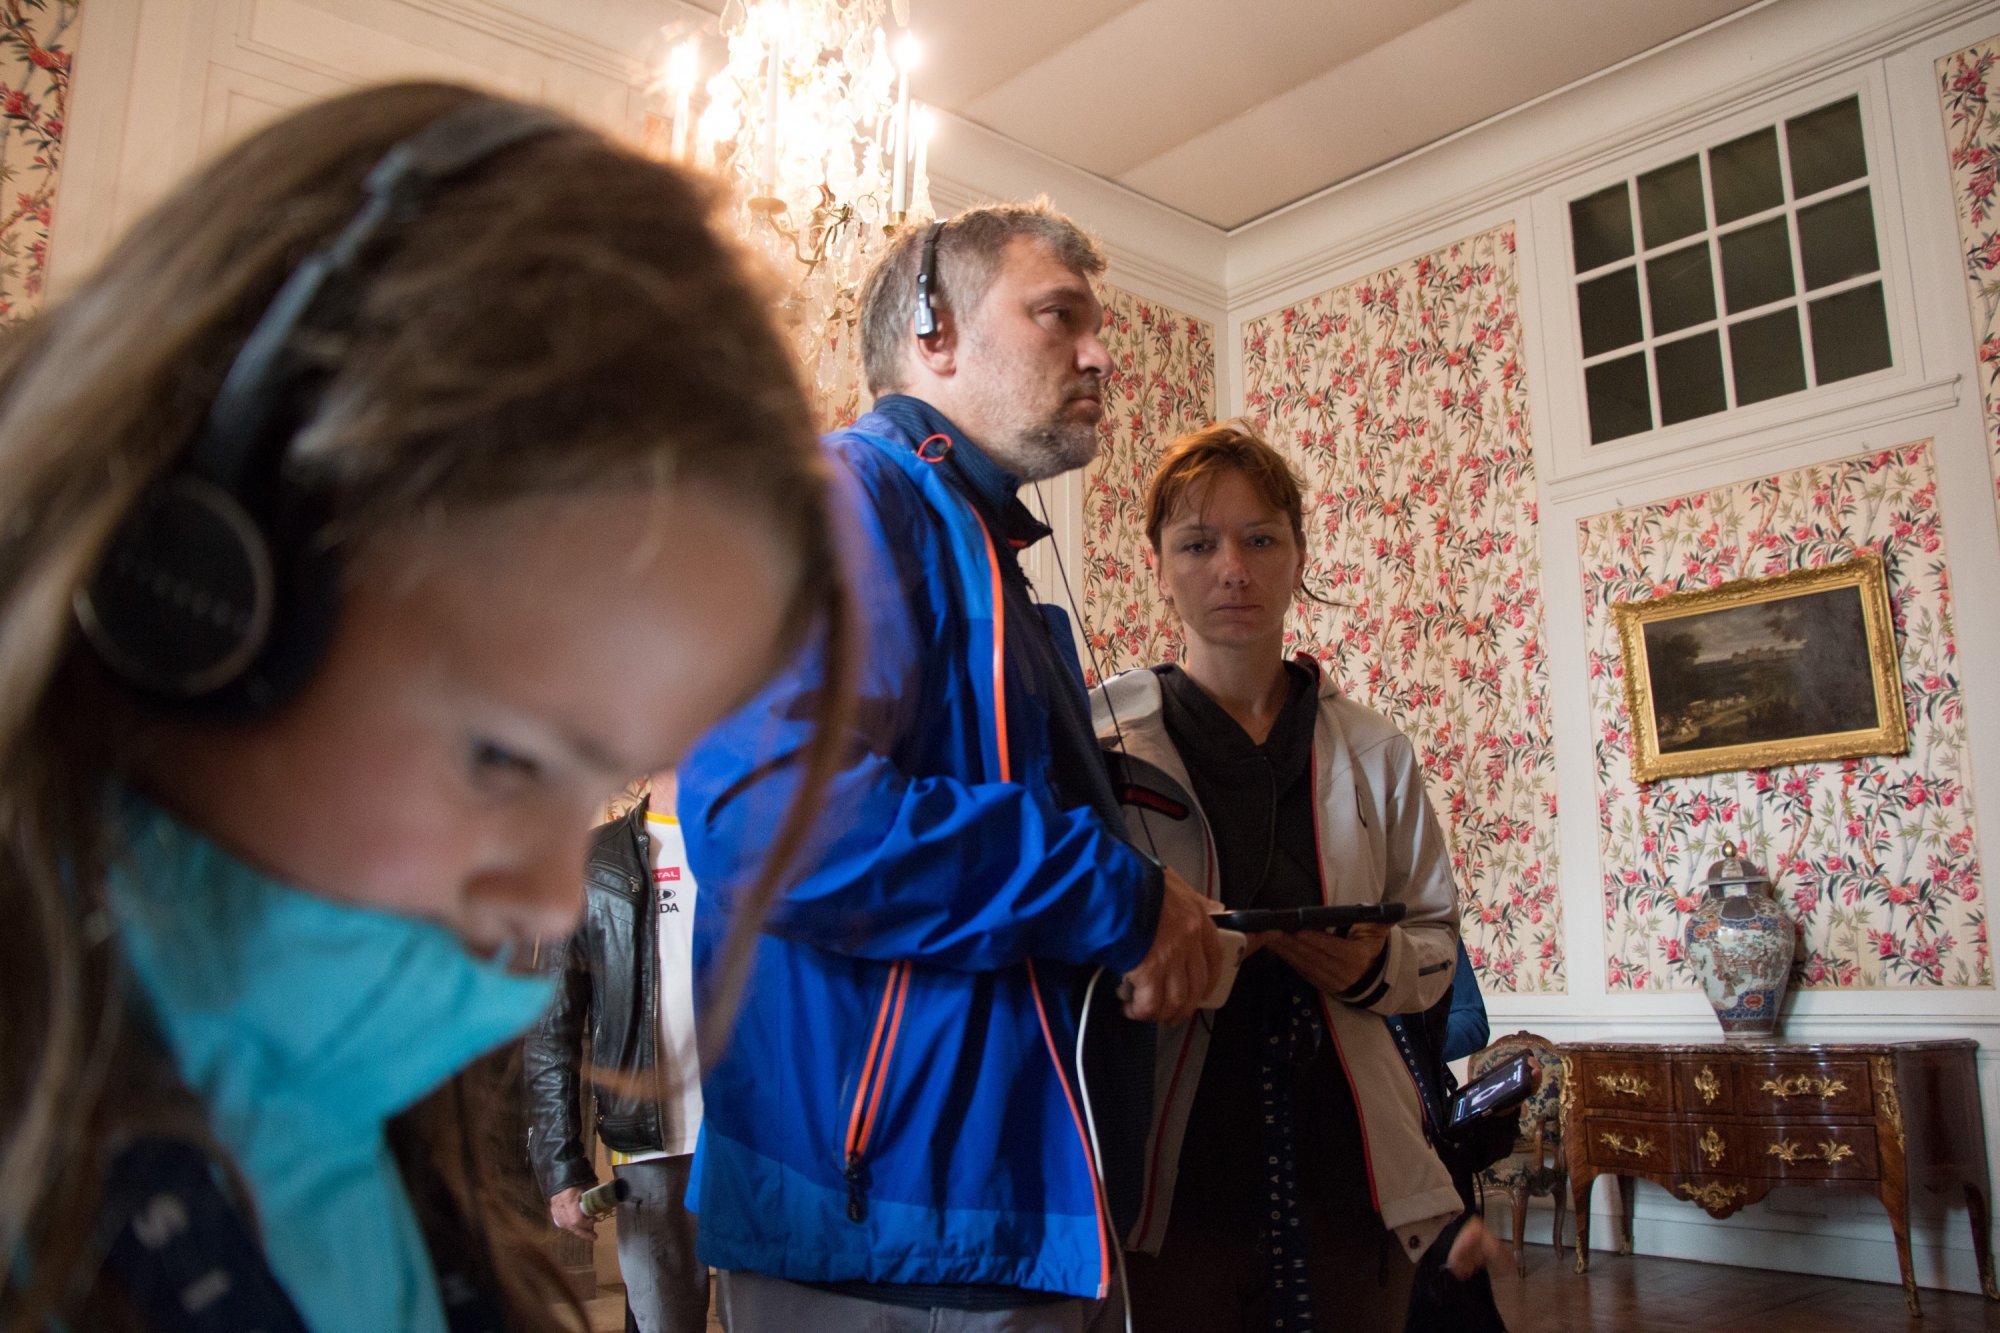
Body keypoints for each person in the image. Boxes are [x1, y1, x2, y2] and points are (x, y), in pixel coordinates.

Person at [0, 82, 855, 1333]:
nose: (551, 903)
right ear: (187, 583)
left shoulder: (357, 1126)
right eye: (504, 757)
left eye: (603, 783)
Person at [676, 202, 1224, 1331]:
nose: (1100, 354)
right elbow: (769, 817)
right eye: (1057, 316)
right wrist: (1115, 894)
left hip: (1002, 1215)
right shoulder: (843, 497)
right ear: (933, 332)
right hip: (887, 1235)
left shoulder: (987, 555)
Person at [1092, 423, 1465, 1330]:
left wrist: (1376, 965)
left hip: (1353, 1166)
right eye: (1198, 544)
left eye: (1260, 539)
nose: (1234, 569)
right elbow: (1073, 942)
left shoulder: (1375, 749)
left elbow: (1436, 940)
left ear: (1299, 555)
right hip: (1168, 1177)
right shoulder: (1102, 742)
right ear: (1158, 567)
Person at [525, 772, 710, 1332]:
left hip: (755, 1137)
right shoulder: (590, 862)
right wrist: (561, 1166)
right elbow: (551, 1028)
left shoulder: (759, 847)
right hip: (649, 1140)